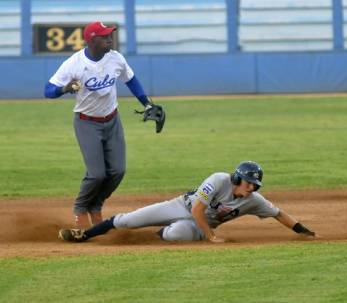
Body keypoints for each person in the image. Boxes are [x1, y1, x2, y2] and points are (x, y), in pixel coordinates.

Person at [44, 21, 164, 228]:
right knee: (97, 174)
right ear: (92, 40)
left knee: (118, 170)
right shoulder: (74, 64)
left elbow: (131, 80)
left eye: (110, 35)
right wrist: (64, 89)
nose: (110, 38)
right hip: (86, 122)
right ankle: (81, 208)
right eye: (104, 36)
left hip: (112, 120)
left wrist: (146, 104)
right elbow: (48, 90)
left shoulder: (115, 58)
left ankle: (96, 206)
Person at [58, 161, 316, 243]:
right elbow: (197, 209)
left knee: (179, 235)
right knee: (129, 220)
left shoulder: (253, 201)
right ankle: (85, 235)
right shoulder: (218, 180)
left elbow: (278, 213)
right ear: (237, 178)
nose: (252, 188)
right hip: (182, 206)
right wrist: (211, 236)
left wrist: (302, 231)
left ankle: (153, 236)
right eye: (248, 182)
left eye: (255, 185)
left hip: (193, 226)